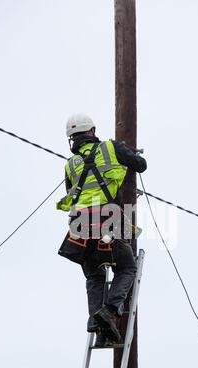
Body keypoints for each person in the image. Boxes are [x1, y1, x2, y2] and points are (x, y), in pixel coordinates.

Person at [57, 113, 147, 347]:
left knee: (94, 275)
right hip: (107, 218)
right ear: (93, 131)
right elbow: (141, 166)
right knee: (127, 268)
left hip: (79, 224)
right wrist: (126, 152)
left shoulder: (71, 164)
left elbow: (72, 191)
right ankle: (110, 311)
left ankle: (97, 326)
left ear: (72, 139)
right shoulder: (111, 148)